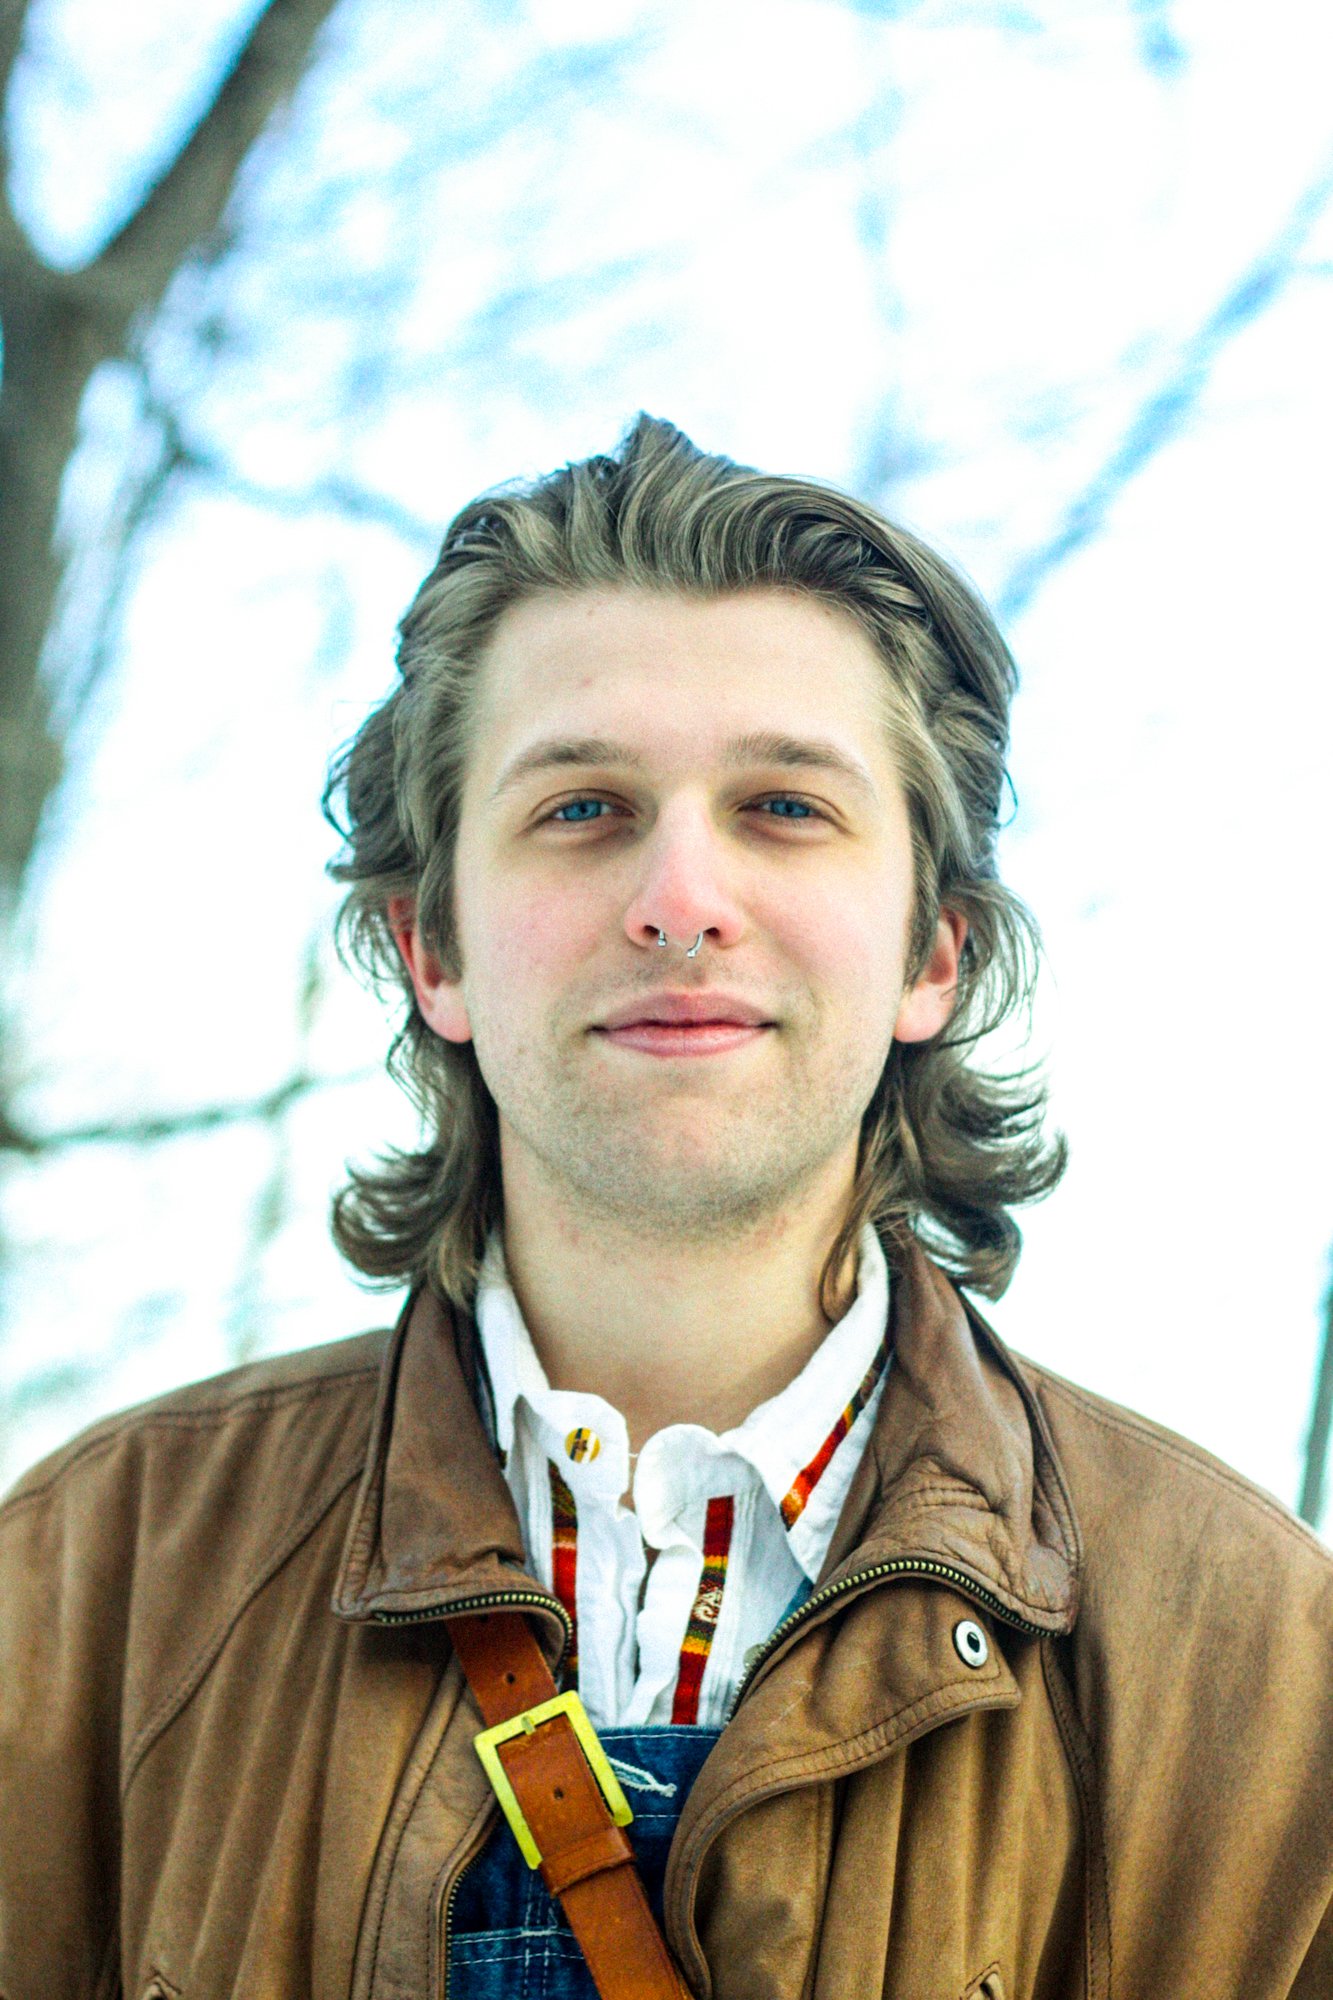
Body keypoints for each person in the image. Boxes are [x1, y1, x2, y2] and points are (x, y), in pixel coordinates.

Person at [2, 415, 1331, 2000]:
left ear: (929, 955)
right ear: (434, 950)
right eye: (581, 809)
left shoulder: (1263, 1676)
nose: (681, 898)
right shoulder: (84, 1594)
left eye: (782, 807)